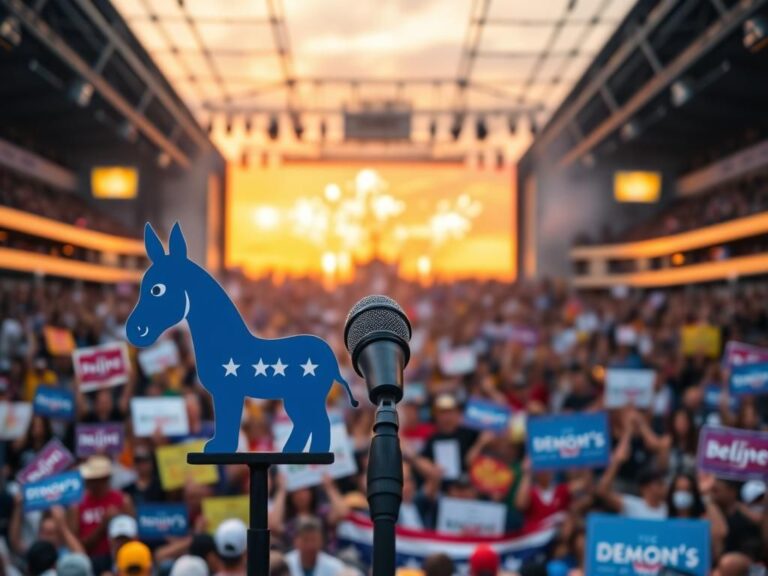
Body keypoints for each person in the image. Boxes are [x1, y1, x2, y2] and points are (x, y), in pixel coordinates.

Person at [69, 455, 134, 570]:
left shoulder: (123, 500)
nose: (89, 483)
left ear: (106, 479)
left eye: (95, 479)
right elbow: (77, 546)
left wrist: (119, 521)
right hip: (90, 561)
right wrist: (103, 525)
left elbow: (133, 539)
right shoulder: (77, 505)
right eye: (88, 479)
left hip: (118, 561)